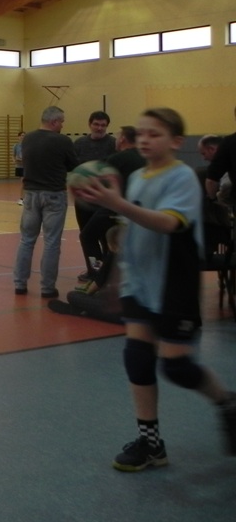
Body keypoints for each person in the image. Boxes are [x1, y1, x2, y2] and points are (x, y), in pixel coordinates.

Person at [74, 107, 236, 471]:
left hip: (174, 283)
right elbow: (131, 231)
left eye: (155, 134)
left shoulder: (181, 178)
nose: (145, 139)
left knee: (177, 367)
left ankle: (226, 401)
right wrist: (117, 277)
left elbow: (167, 223)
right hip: (140, 282)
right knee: (137, 357)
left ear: (176, 141)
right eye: (141, 133)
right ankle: (151, 444)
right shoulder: (137, 178)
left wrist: (117, 204)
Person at [13, 106, 78, 298]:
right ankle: (47, 288)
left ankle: (20, 283)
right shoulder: (63, 141)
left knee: (26, 240)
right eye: (62, 122)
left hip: (31, 194)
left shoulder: (28, 139)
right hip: (54, 194)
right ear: (54, 122)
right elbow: (73, 165)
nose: (63, 125)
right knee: (51, 242)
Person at [76, 125, 145, 290]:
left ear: (122, 139)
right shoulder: (145, 158)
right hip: (140, 211)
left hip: (117, 209)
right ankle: (114, 277)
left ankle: (96, 275)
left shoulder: (117, 159)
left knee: (88, 236)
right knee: (112, 242)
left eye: (117, 136)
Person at [74, 111, 116, 232]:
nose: (99, 128)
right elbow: (73, 167)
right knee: (85, 232)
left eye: (103, 125)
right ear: (90, 124)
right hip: (83, 196)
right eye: (96, 124)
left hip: (105, 197)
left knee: (106, 233)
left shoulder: (114, 144)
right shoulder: (79, 144)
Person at [13, 130, 25, 205]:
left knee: (24, 182)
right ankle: (22, 198)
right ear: (19, 137)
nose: (23, 137)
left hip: (26, 166)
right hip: (19, 166)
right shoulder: (16, 146)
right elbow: (13, 155)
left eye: (24, 135)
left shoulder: (27, 145)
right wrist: (14, 160)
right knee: (23, 182)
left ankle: (22, 198)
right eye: (21, 135)